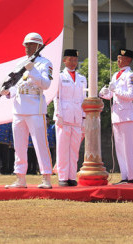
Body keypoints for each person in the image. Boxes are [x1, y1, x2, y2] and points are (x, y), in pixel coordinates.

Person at [2, 32, 54, 189]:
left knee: (40, 144)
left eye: (31, 45)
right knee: (19, 145)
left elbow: (45, 85)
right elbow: (16, 85)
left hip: (35, 109)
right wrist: (7, 92)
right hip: (18, 108)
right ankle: (20, 178)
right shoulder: (20, 63)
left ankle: (46, 178)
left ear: (38, 46)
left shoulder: (45, 63)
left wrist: (32, 70)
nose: (27, 47)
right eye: (26, 45)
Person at [99, 48, 133, 184]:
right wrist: (104, 93)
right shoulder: (116, 75)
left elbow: (131, 96)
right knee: (120, 148)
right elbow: (111, 95)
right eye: (118, 58)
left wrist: (116, 89)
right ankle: (124, 176)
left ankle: (132, 176)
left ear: (128, 60)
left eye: (121, 58)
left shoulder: (130, 75)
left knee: (128, 148)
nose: (118, 60)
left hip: (127, 115)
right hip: (117, 115)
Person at [53, 49, 87, 186]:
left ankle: (72, 176)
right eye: (70, 59)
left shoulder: (82, 78)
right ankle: (62, 177)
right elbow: (57, 97)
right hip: (64, 115)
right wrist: (58, 114)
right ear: (64, 60)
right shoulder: (60, 77)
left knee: (74, 148)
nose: (73, 62)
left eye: (75, 60)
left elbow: (84, 99)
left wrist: (84, 118)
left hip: (77, 116)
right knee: (62, 148)